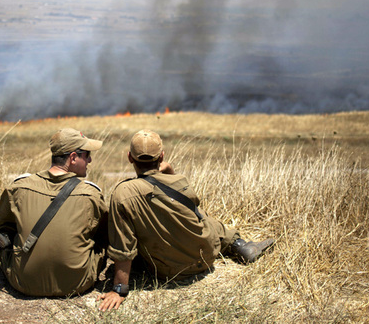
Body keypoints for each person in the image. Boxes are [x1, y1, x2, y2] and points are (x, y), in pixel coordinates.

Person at [98, 130, 274, 311]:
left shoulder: (123, 193)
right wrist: (168, 169)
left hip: (170, 271)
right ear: (161, 156)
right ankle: (239, 244)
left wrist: (119, 289)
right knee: (206, 219)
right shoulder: (180, 181)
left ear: (130, 158)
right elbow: (190, 205)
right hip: (206, 254)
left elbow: (123, 247)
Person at [0, 128, 108, 297]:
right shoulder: (91, 195)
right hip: (77, 284)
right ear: (73, 158)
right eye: (86, 154)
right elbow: (105, 234)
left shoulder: (20, 187)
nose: (90, 159)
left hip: (22, 281)